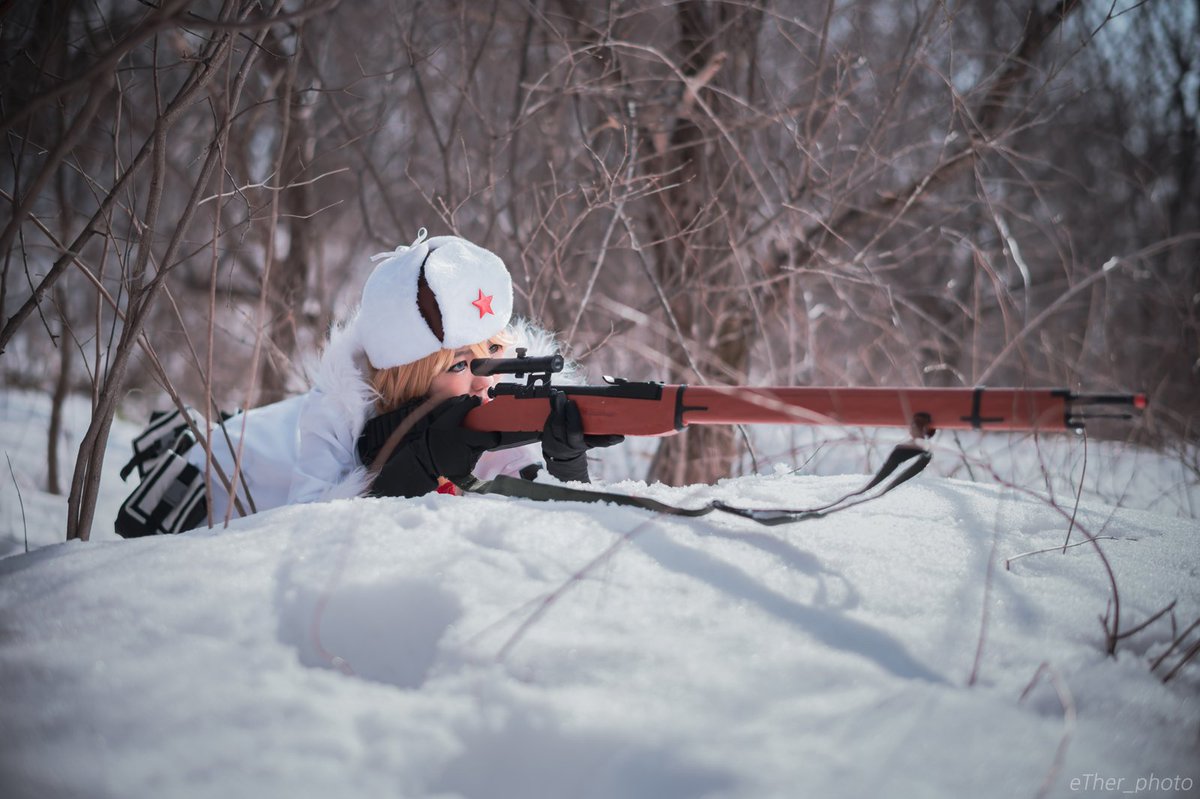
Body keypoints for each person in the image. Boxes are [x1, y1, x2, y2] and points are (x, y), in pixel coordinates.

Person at [186, 228, 620, 525]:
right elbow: (307, 524)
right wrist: (417, 467)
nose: (482, 379)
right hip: (236, 467)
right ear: (410, 379)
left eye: (491, 353)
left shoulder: (503, 403)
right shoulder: (340, 413)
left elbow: (537, 519)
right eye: (457, 365)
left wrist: (567, 468)